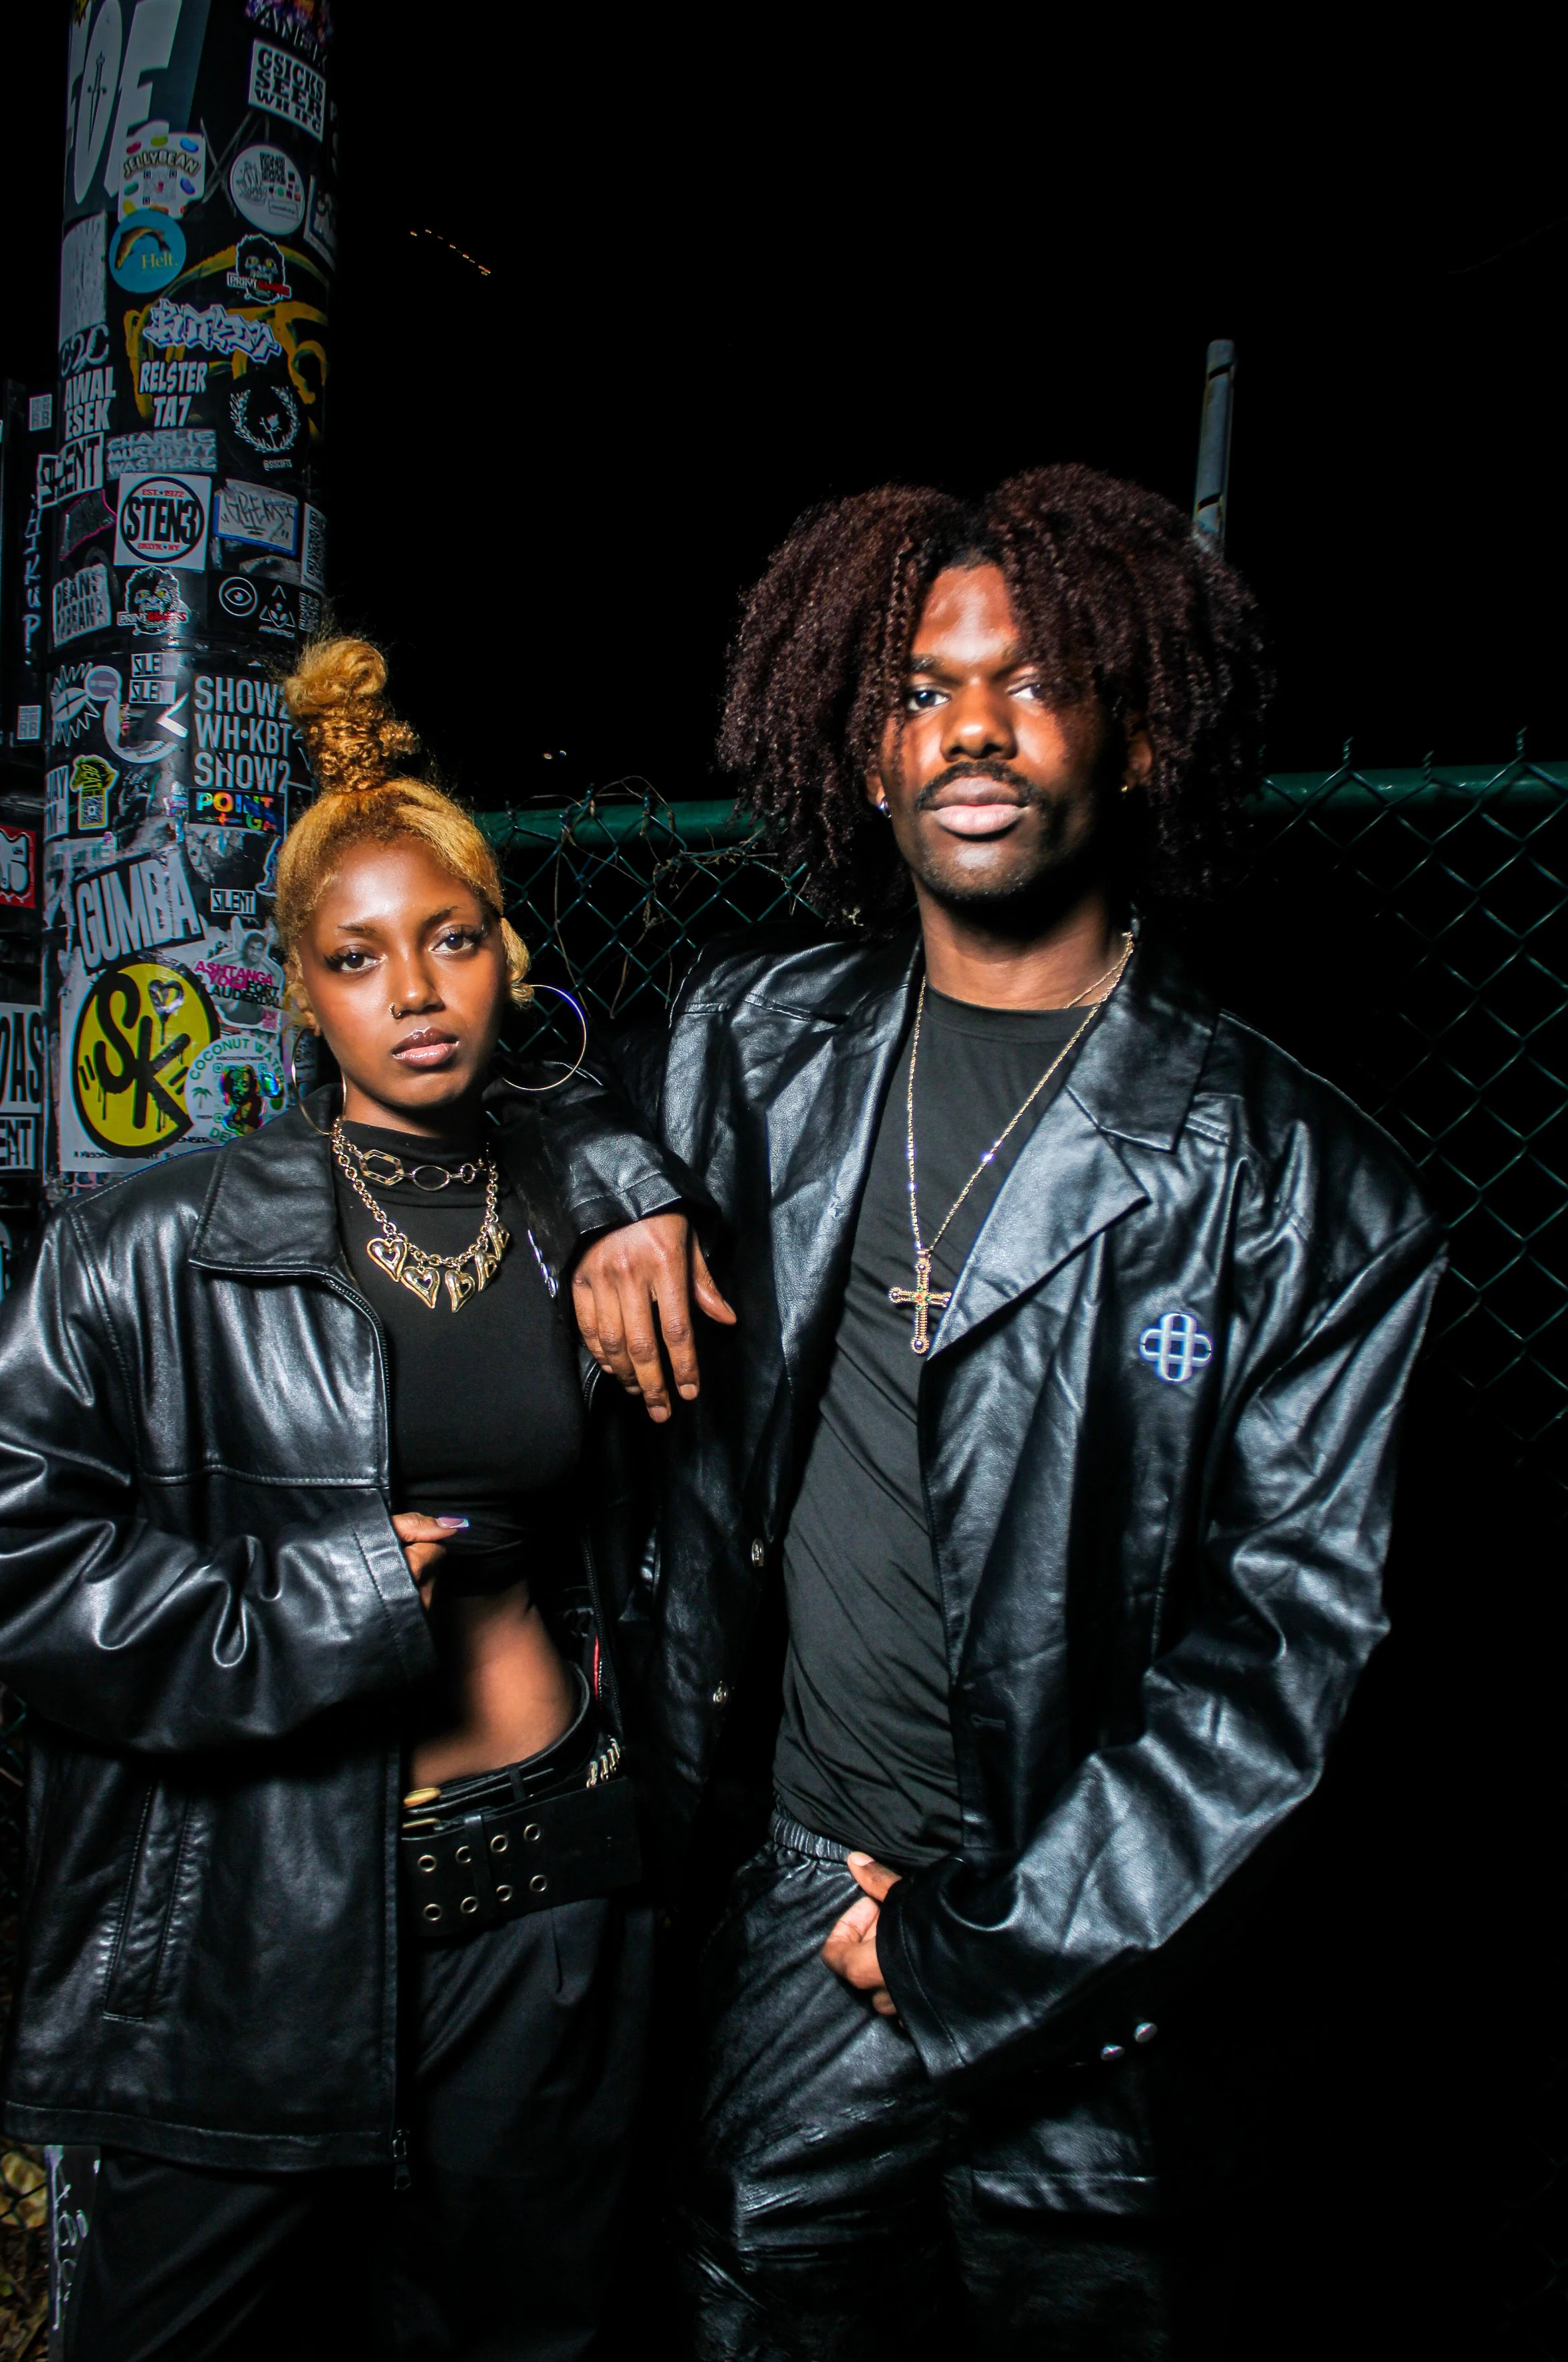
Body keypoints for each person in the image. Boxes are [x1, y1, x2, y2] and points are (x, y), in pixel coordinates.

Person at [567, 467, 1448, 2355]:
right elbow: (555, 1084)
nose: (967, 727)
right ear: (859, 757)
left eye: (1031, 679)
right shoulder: (755, 1047)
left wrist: (980, 1947)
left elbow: (1294, 1659)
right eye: (914, 688)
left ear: (1132, 738)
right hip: (805, 1914)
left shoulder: (1302, 1183)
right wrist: (608, 1191)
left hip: (1106, 1973)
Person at [0, 638, 712, 2361]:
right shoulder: (158, 1244)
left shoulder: (592, 1208)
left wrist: (612, 1161)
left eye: (451, 938)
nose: (413, 990)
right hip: (253, 1927)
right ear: (297, 990)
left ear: (504, 952)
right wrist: (305, 1610)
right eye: (357, 958)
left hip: (552, 1890)